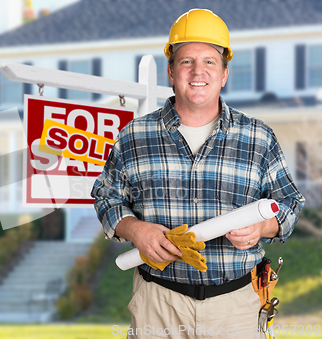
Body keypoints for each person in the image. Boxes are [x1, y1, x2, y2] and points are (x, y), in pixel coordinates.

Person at [91, 8, 305, 339]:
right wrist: (135, 230)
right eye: (186, 61)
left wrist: (263, 225)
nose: (197, 71)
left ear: (224, 74)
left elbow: (290, 201)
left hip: (236, 306)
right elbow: (106, 196)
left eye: (209, 61)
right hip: (157, 304)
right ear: (171, 71)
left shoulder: (258, 137)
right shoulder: (134, 136)